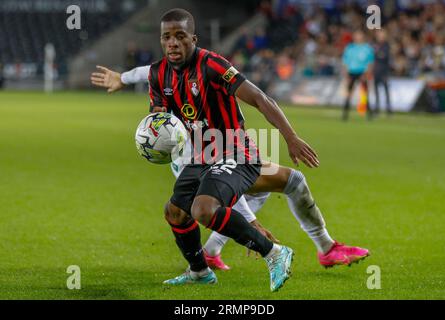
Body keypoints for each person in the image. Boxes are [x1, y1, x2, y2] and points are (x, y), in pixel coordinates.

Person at [92, 8, 369, 292]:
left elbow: (260, 98)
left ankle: (274, 253)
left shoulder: (211, 65)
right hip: (201, 158)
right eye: (167, 37)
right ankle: (200, 271)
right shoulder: (158, 75)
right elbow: (162, 123)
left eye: (180, 36)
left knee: (203, 208)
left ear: (193, 39)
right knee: (175, 212)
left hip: (236, 152)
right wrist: (154, 140)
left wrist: (291, 137)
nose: (173, 42)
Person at [342, 30, 375, 121]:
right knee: (349, 93)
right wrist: (346, 74)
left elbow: (370, 63)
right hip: (352, 72)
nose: (358, 37)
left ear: (362, 36)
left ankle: (369, 114)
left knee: (364, 93)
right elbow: (345, 62)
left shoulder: (367, 48)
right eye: (356, 35)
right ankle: (345, 113)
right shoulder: (350, 48)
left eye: (359, 35)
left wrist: (367, 73)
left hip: (362, 73)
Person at [373, 30, 392, 115]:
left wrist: (377, 53)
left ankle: (388, 109)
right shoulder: (375, 45)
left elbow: (384, 56)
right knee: (376, 91)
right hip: (376, 71)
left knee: (386, 90)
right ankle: (377, 108)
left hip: (384, 71)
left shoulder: (386, 45)